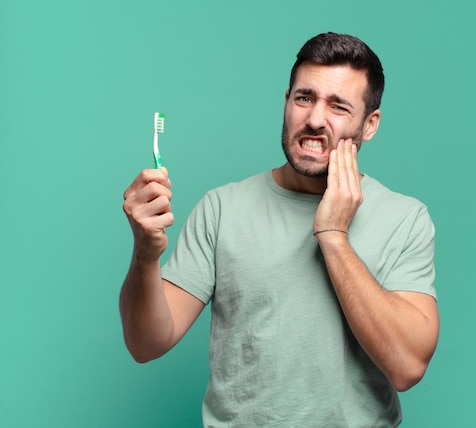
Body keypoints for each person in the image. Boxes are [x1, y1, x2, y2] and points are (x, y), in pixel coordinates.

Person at [120, 32, 439, 427]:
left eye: (338, 107)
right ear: (286, 102)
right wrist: (145, 253)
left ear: (369, 124)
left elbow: (407, 367)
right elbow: (145, 343)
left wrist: (334, 237)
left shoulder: (404, 219)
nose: (315, 120)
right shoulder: (222, 209)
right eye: (304, 98)